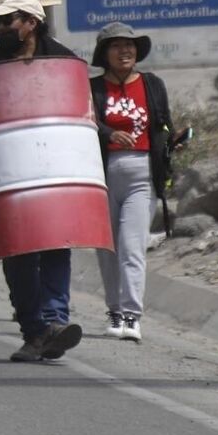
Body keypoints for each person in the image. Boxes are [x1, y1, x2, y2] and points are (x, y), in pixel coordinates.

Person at [0, 0, 86, 362]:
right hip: (10, 170)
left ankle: (55, 320)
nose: (1, 28)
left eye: (7, 21)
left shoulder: (63, 60)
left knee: (56, 243)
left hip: (53, 166)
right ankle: (34, 329)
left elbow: (81, 112)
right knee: (16, 251)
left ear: (30, 23)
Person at [90, 22, 173, 343]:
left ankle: (131, 314)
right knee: (106, 247)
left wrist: (171, 143)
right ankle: (113, 310)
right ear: (104, 53)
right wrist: (109, 133)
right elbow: (85, 122)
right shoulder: (93, 88)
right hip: (103, 174)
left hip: (142, 174)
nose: (125, 50)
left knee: (132, 246)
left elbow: (164, 124)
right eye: (116, 45)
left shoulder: (153, 85)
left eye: (130, 45)